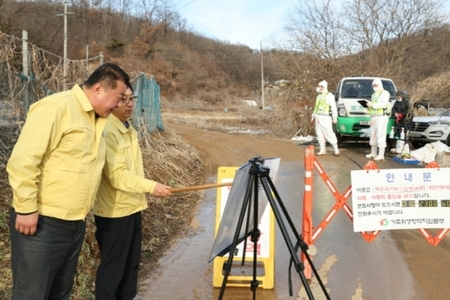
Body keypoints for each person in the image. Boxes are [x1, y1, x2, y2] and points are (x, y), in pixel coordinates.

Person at [6, 63, 130, 300]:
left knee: (60, 293)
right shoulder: (57, 107)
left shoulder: (98, 120)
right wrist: (26, 208)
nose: (120, 104)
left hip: (74, 223)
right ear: (98, 89)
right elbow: (23, 161)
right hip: (42, 222)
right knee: (32, 294)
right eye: (119, 97)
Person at [93, 84, 172, 299]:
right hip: (114, 212)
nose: (129, 104)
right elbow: (117, 175)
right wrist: (151, 186)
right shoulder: (108, 131)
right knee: (113, 270)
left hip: (132, 207)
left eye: (131, 98)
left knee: (131, 267)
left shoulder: (127, 129)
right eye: (122, 99)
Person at [311, 80, 340, 156]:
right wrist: (313, 116)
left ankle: (336, 150)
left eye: (321, 86)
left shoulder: (329, 96)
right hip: (318, 117)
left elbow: (334, 107)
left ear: (325, 87)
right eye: (319, 86)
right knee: (319, 134)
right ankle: (322, 150)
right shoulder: (319, 96)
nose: (319, 88)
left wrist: (334, 117)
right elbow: (316, 108)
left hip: (325, 117)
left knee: (329, 133)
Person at [365, 78, 390, 160]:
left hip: (381, 117)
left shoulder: (385, 93)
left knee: (381, 135)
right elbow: (373, 104)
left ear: (380, 85)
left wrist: (372, 105)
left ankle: (381, 154)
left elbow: (384, 104)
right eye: (373, 85)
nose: (374, 87)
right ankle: (373, 152)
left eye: (376, 85)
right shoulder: (374, 94)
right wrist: (368, 107)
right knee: (373, 135)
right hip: (373, 116)